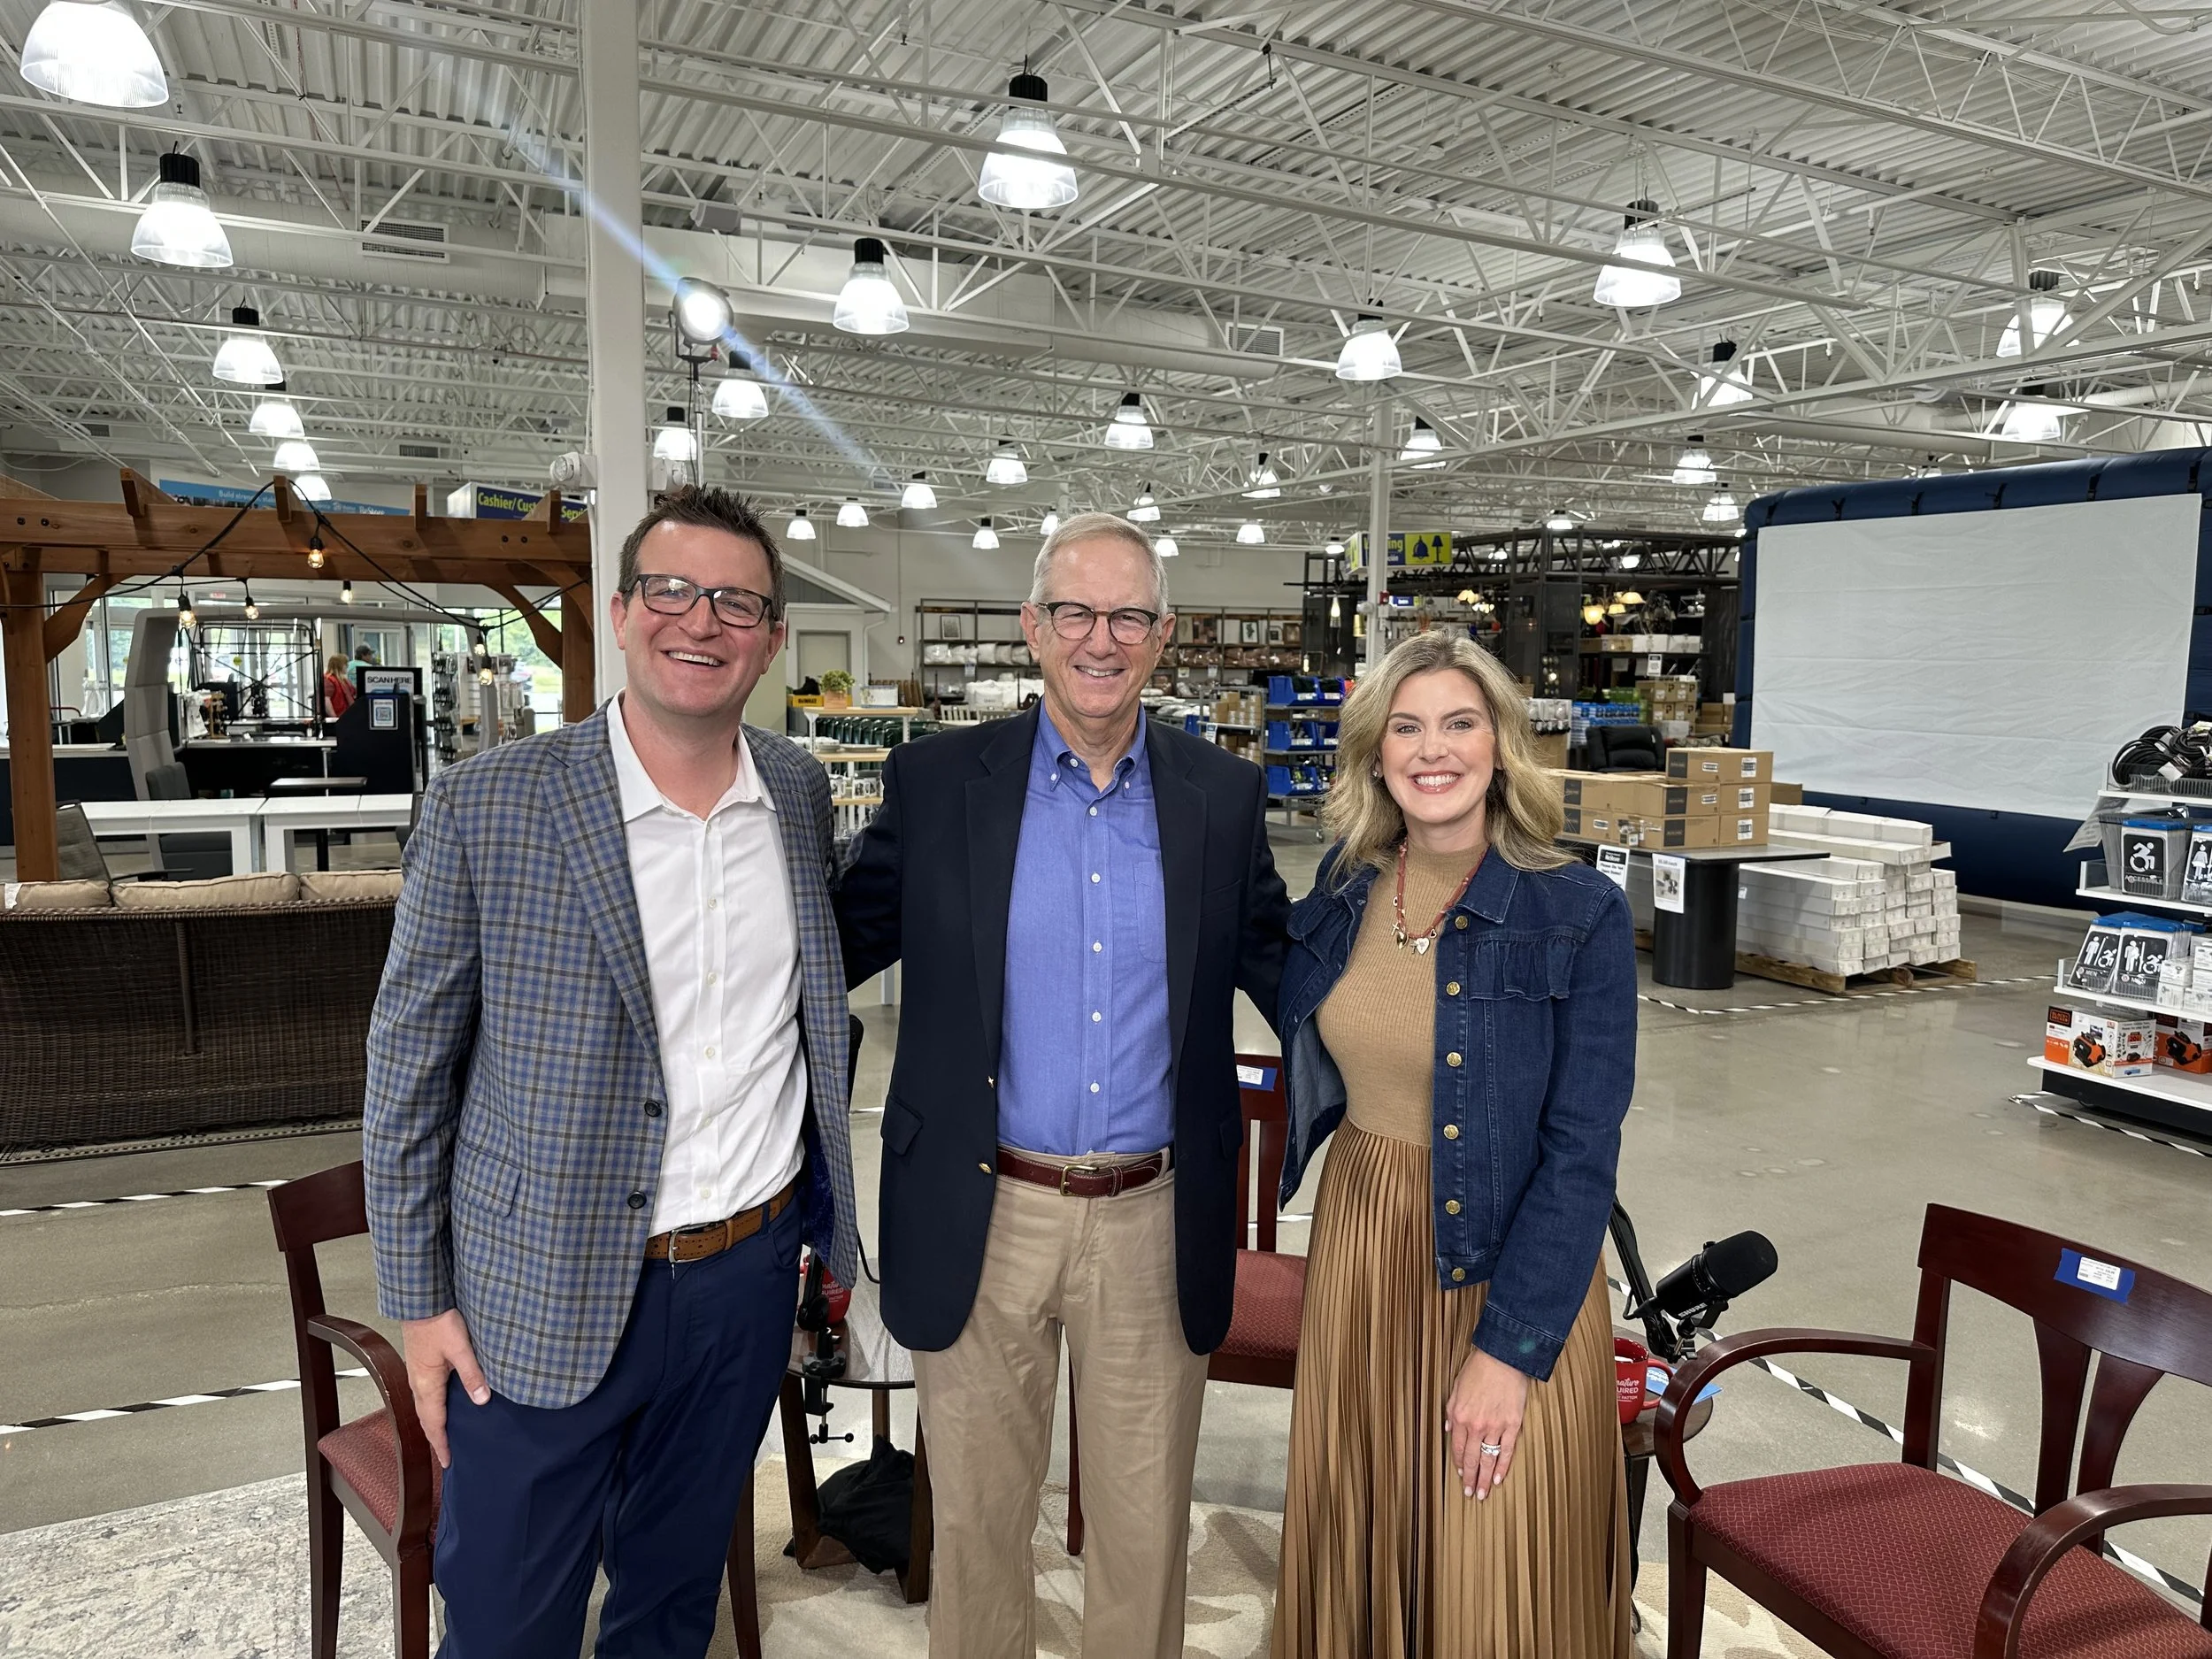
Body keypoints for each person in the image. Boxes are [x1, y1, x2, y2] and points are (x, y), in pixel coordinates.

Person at [362, 486, 860, 1659]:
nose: (704, 620)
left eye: (737, 600)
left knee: (674, 1593)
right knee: (507, 1616)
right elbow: (406, 1069)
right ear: (625, 611)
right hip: (540, 1291)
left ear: (773, 635)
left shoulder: (793, 794)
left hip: (742, 1278)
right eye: (674, 590)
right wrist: (418, 1297)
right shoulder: (491, 804)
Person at [835, 511, 1291, 1659]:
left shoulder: (1219, 797)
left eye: (1128, 613)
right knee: (982, 1529)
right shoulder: (941, 782)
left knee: (1144, 1539)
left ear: (1164, 633)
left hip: (1151, 1212)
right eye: (1076, 611)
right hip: (981, 1212)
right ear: (1034, 627)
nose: (1102, 636)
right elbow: (826, 942)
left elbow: (1293, 968)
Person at [1270, 630, 1636, 1659]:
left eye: (1460, 723)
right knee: (1371, 1511)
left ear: (1500, 744)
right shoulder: (1343, 893)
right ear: (1374, 755)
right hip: (1362, 1241)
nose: (1433, 750)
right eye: (1407, 727)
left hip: (1506, 1254)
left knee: (1492, 1548)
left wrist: (1511, 1354)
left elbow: (1580, 1152)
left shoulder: (1577, 911)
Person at [321, 653, 355, 719]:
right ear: (340, 665)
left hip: (345, 717)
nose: (347, 666)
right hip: (337, 719)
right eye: (345, 664)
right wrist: (334, 717)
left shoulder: (344, 681)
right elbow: (326, 700)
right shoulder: (329, 680)